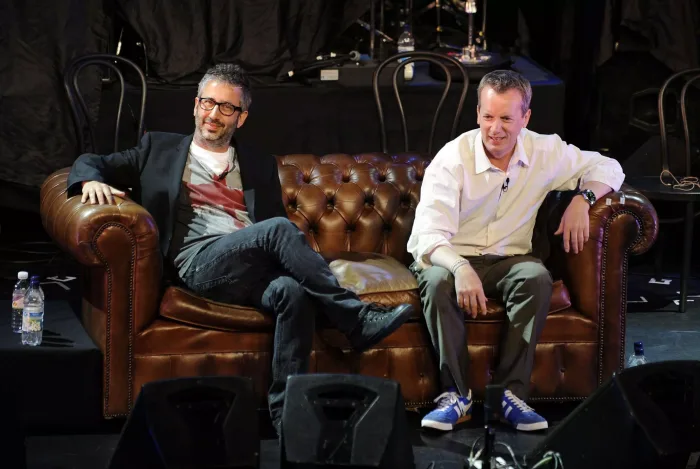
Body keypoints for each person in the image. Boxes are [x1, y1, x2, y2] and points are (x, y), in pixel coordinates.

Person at [66, 63, 413, 435]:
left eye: (226, 108)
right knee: (279, 230)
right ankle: (354, 319)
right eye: (207, 103)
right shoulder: (158, 148)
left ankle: (286, 413)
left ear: (241, 117)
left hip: (248, 270)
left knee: (291, 292)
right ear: (195, 104)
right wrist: (88, 181)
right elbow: (92, 161)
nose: (213, 114)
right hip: (198, 264)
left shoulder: (257, 164)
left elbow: (268, 229)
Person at [407, 70, 624, 432]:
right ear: (477, 113)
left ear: (525, 117)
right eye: (488, 116)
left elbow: (607, 165)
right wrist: (461, 268)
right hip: (450, 258)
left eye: (507, 118)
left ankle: (508, 397)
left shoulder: (544, 150)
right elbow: (427, 238)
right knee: (436, 280)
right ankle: (455, 397)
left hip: (508, 262)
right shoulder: (453, 159)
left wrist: (582, 200)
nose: (496, 128)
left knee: (536, 276)